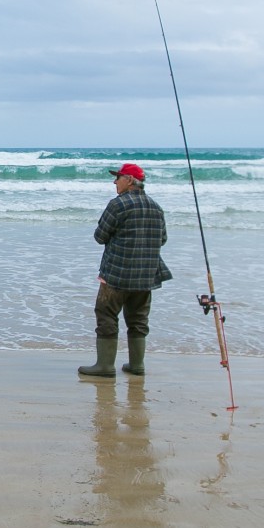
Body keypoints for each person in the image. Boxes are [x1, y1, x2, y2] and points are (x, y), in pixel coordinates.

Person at [81, 162, 170, 378]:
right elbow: (163, 239)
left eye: (118, 177)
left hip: (116, 274)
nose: (114, 182)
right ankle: (136, 365)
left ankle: (105, 366)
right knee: (138, 320)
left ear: (129, 180)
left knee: (106, 315)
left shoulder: (118, 205)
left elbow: (100, 236)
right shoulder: (156, 207)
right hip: (145, 276)